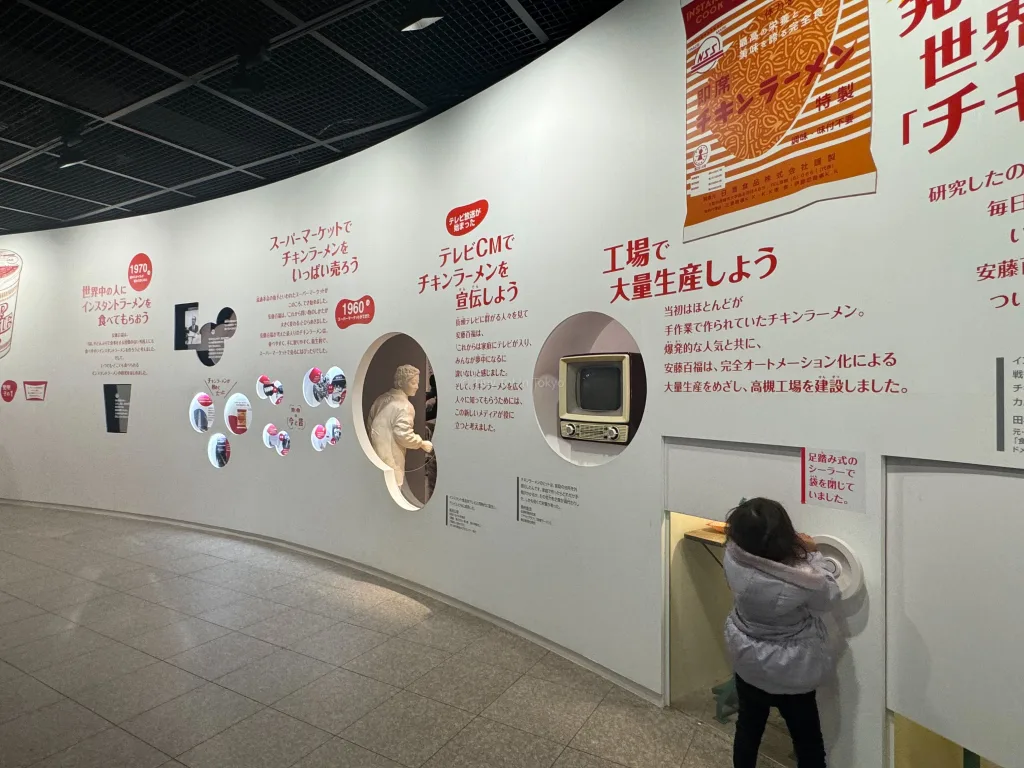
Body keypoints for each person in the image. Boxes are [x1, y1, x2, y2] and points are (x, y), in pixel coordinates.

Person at [723, 497, 841, 768]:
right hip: (791, 671)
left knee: (748, 731)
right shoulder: (801, 579)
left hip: (748, 661)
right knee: (808, 742)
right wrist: (812, 554)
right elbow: (828, 597)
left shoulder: (733, 557)